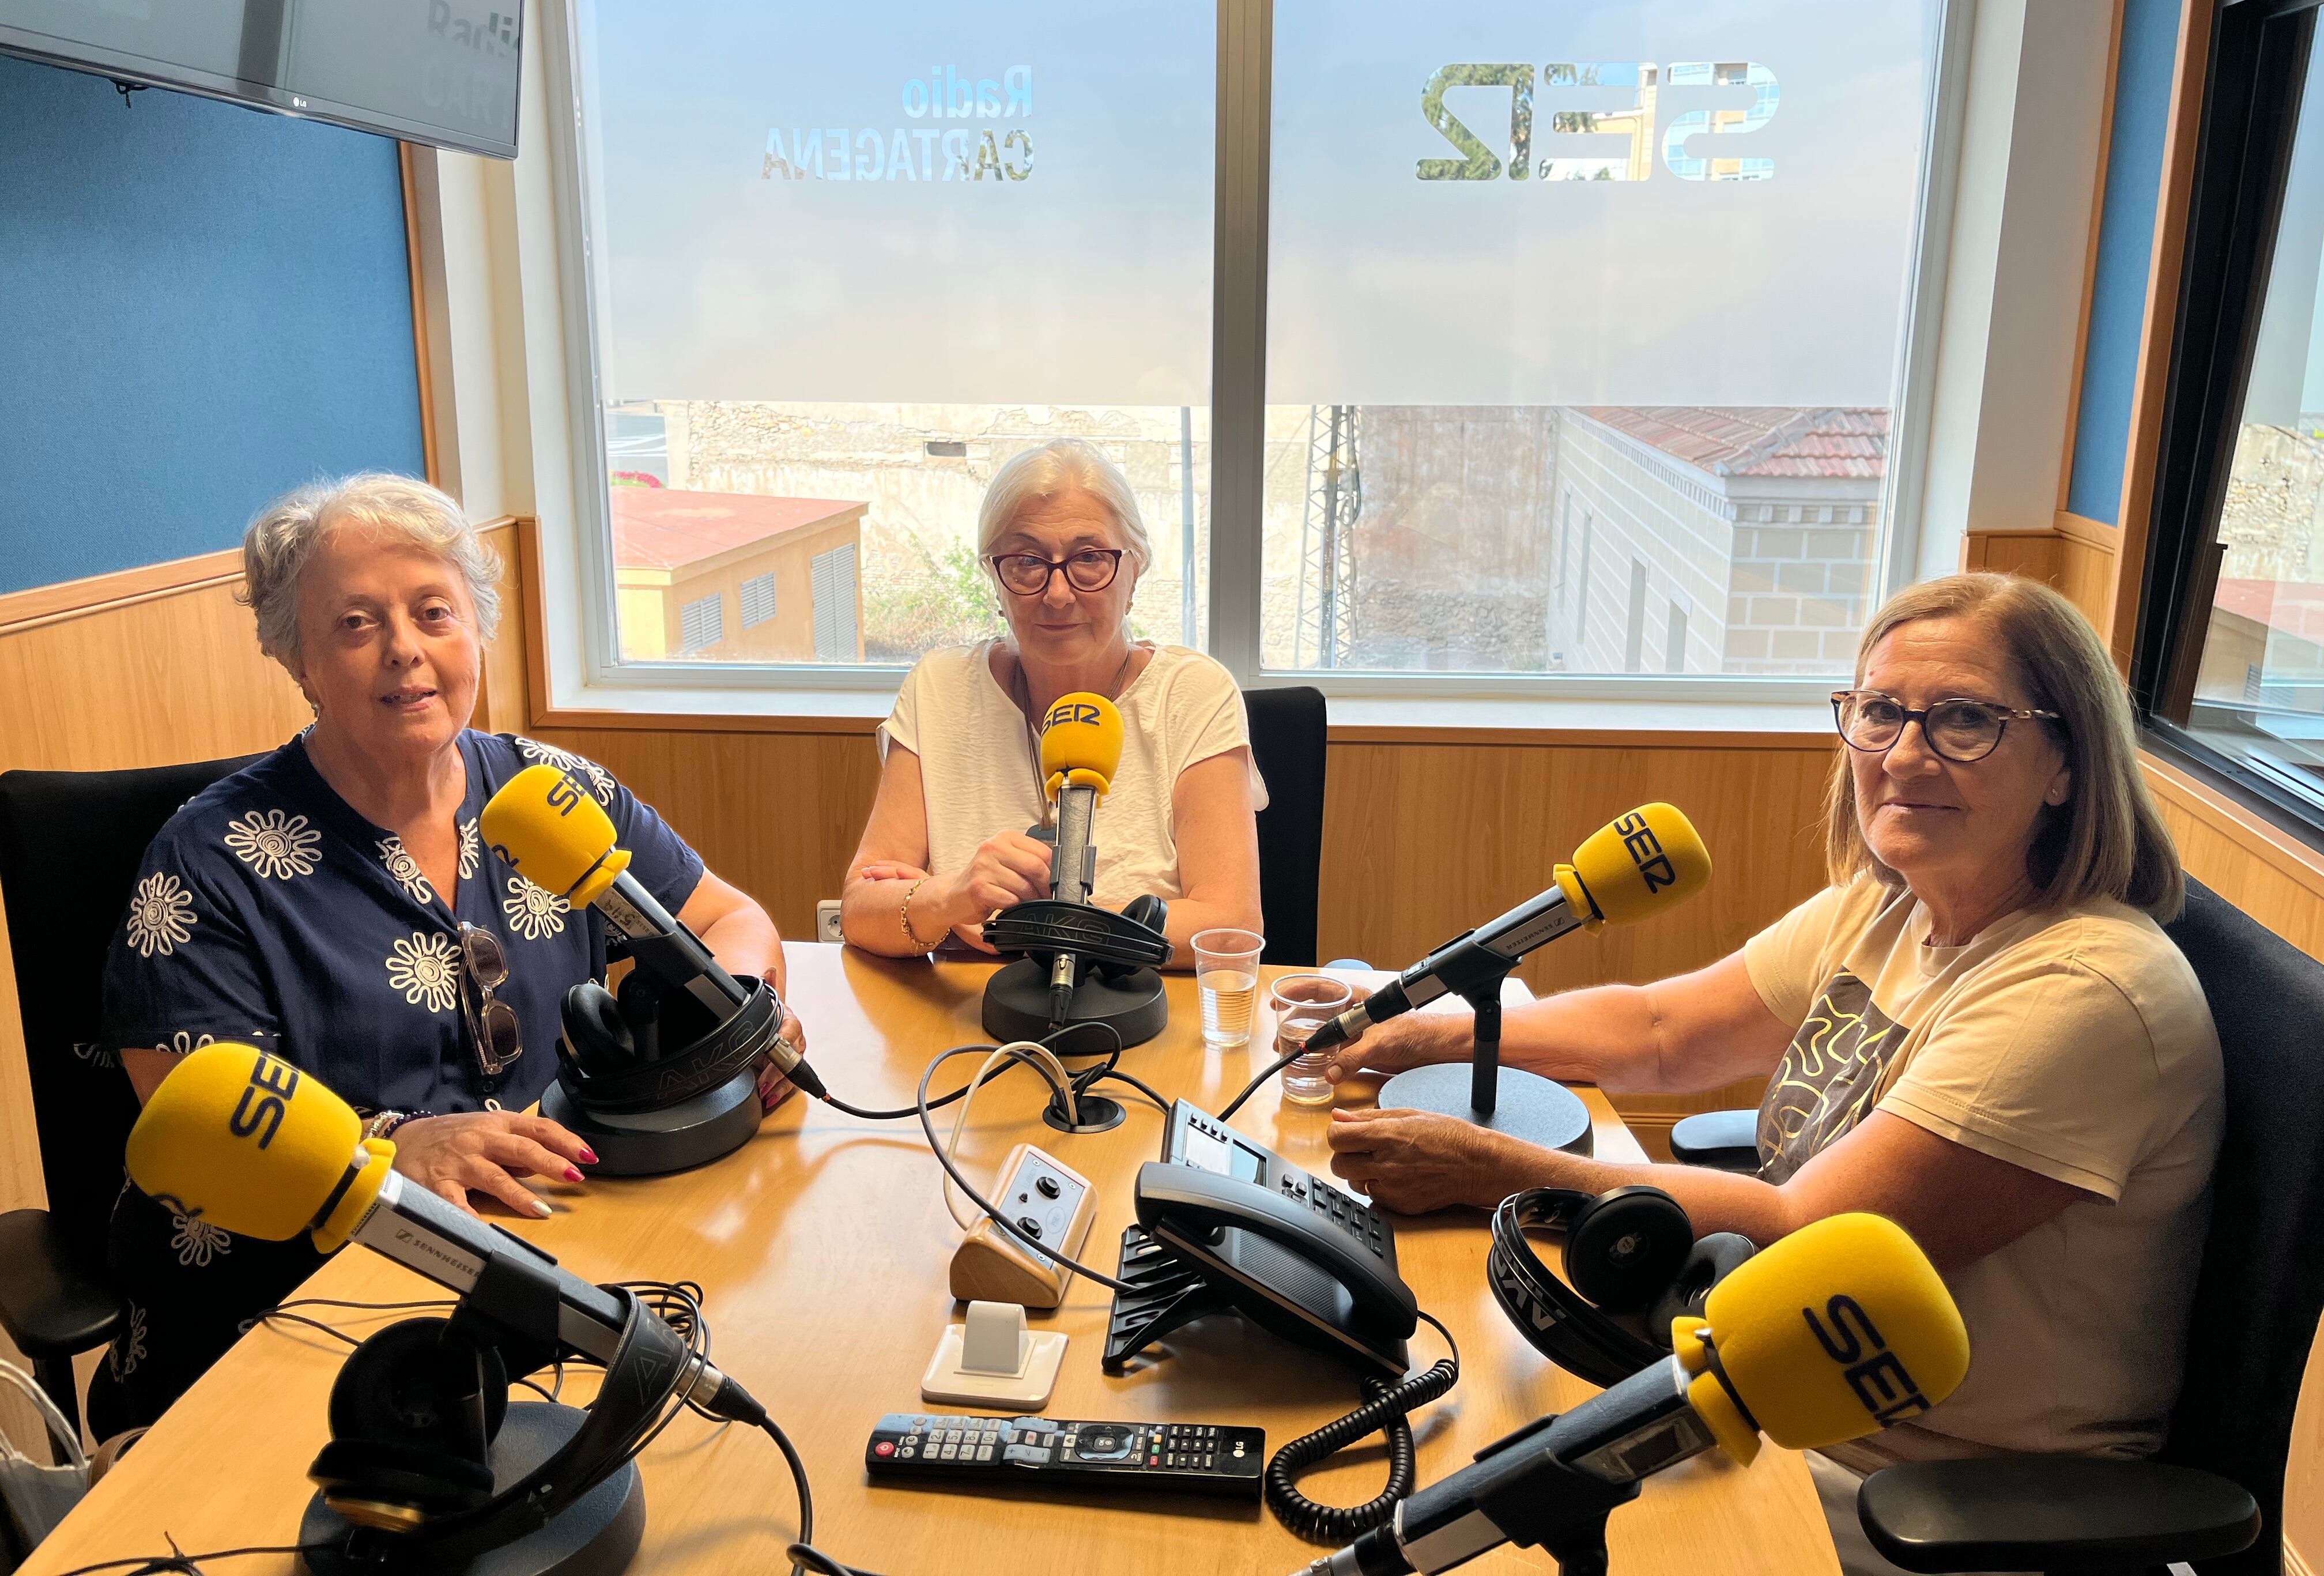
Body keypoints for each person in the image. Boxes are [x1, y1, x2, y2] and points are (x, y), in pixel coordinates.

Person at [1319, 572, 2223, 1576]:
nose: (1904, 753)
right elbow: (1663, 1031)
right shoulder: (1890, 905)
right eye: (1879, 711)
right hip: (1772, 1382)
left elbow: (1805, 1229)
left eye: (1965, 719)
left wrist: (1489, 1168)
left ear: (2066, 762)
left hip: (1923, 1485)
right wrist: (1421, 1034)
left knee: (1469, 1506)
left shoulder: (2083, 991)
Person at [90, 473, 802, 1437]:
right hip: (293, 1318)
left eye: (435, 612)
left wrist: (734, 1012)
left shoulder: (551, 792)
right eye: (356, 624)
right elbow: (203, 1126)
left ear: (476, 629)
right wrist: (386, 1148)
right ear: (299, 659)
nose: (405, 649)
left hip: (537, 1255)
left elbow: (725, 915)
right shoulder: (210, 860)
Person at [843, 438, 1263, 965]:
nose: (1058, 594)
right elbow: (861, 909)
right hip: (969, 1007)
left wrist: (1027, 925)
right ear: (995, 579)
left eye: (1090, 559)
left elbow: (1229, 928)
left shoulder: (1194, 693)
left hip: (1140, 1007)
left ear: (1135, 571)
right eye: (1026, 561)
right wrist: (952, 897)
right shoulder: (939, 687)